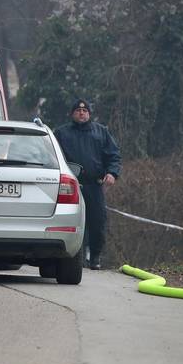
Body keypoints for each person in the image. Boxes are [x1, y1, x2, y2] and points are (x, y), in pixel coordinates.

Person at [54, 99, 122, 270]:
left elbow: (113, 155)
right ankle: (77, 257)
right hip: (70, 186)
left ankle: (96, 257)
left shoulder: (101, 132)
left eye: (84, 111)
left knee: (97, 222)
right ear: (72, 114)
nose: (81, 113)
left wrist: (112, 173)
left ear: (89, 114)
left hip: (94, 185)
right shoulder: (62, 134)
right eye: (77, 110)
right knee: (72, 222)